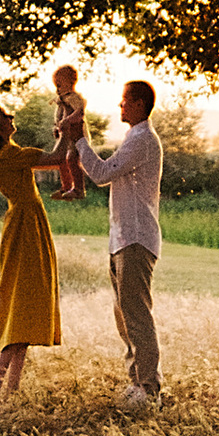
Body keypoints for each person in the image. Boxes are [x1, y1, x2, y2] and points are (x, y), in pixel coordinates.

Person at [69, 75, 163, 408]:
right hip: (122, 238)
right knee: (124, 315)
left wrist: (80, 140)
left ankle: (148, 388)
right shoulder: (133, 138)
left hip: (136, 238)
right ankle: (138, 382)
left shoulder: (142, 140)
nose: (120, 104)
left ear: (139, 104)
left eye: (124, 100)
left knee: (136, 314)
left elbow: (101, 174)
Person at [0, 102, 62, 393]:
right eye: (6, 117)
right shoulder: (9, 155)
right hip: (25, 228)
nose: (12, 119)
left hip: (26, 224)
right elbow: (57, 158)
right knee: (21, 306)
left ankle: (8, 389)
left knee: (24, 305)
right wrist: (68, 132)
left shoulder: (8, 153)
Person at [51, 64, 87, 200]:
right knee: (62, 160)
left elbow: (80, 111)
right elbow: (59, 117)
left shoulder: (73, 97)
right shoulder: (63, 99)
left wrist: (68, 120)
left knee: (72, 159)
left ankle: (78, 189)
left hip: (75, 135)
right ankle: (66, 186)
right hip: (65, 136)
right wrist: (57, 128)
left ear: (71, 82)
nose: (57, 89)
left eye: (59, 85)